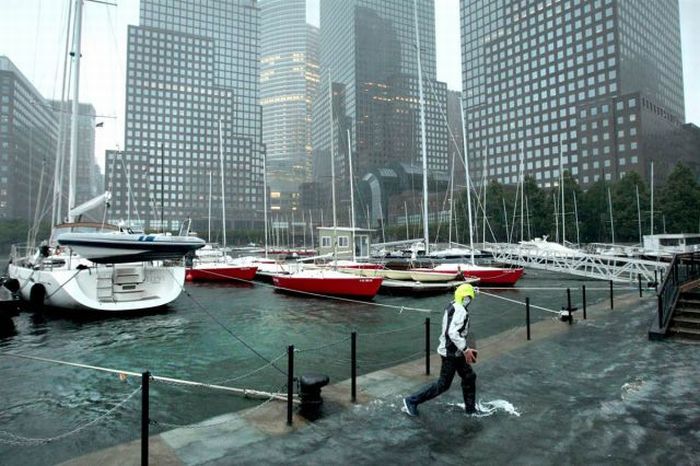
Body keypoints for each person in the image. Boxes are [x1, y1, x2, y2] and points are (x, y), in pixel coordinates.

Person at [403, 283, 479, 416]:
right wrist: (466, 349)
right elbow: (453, 333)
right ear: (465, 297)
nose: (470, 300)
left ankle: (470, 409)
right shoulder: (461, 310)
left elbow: (453, 331)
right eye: (469, 297)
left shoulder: (452, 305)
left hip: (454, 351)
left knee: (469, 376)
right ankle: (412, 401)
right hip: (452, 352)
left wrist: (464, 348)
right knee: (443, 384)